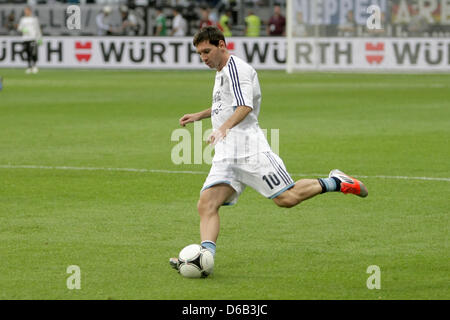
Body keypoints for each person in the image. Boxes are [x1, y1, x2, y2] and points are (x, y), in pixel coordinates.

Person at [169, 26, 368, 271]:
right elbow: (225, 105)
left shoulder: (237, 70)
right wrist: (200, 115)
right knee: (207, 204)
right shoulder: (221, 71)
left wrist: (224, 129)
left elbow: (244, 107)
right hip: (226, 154)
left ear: (222, 45)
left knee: (288, 198)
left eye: (206, 51)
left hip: (249, 150)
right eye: (200, 54)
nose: (204, 58)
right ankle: (204, 258)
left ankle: (336, 181)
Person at [17, 6, 42, 74]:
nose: (26, 12)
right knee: (27, 53)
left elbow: (37, 29)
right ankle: (29, 67)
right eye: (25, 11)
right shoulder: (23, 19)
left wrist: (39, 38)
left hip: (32, 38)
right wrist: (23, 29)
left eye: (27, 10)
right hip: (25, 38)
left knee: (33, 52)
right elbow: (19, 28)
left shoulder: (34, 19)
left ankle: (34, 66)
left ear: (30, 11)